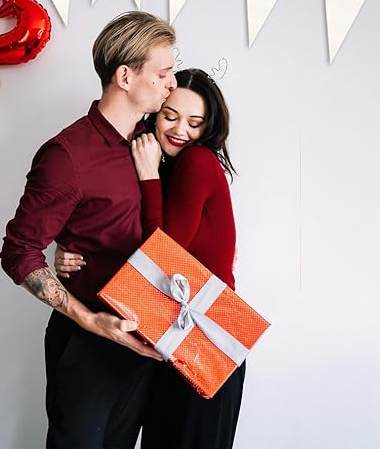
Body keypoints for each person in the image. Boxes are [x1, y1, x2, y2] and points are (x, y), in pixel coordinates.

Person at [0, 11, 177, 449]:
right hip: (89, 341)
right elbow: (19, 252)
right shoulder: (67, 156)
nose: (171, 84)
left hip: (145, 339)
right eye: (162, 74)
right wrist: (92, 320)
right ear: (125, 77)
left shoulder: (155, 140)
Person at [55, 68, 245, 449]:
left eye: (194, 123)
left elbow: (161, 252)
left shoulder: (196, 162)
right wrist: (67, 247)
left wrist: (148, 176)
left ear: (208, 128)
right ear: (156, 111)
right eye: (170, 116)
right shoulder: (166, 164)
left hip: (205, 340)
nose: (180, 130)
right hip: (171, 339)